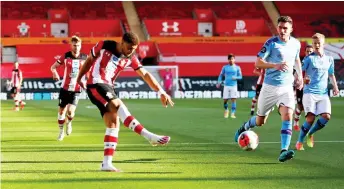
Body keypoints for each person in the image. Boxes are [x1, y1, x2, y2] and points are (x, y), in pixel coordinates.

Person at [76, 32, 174, 172]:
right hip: (96, 84)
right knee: (117, 105)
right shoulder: (104, 45)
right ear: (121, 43)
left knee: (113, 124)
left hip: (108, 87)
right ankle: (148, 136)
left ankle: (106, 163)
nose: (131, 51)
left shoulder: (130, 58)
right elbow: (89, 60)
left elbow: (144, 74)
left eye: (134, 49)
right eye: (129, 48)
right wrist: (79, 78)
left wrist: (161, 91)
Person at [234, 16, 303, 162]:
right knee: (260, 121)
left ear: (291, 29)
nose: (282, 31)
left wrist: (300, 77)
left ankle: (284, 150)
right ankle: (244, 127)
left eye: (285, 28)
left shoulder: (296, 44)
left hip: (287, 87)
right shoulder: (271, 43)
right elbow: (258, 62)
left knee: (287, 115)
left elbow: (296, 59)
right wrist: (274, 65)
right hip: (270, 87)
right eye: (280, 27)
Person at [295, 33, 339, 151]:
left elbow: (331, 74)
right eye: (314, 43)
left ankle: (311, 133)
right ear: (313, 45)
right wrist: (302, 80)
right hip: (309, 93)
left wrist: (335, 87)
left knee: (326, 116)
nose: (317, 45)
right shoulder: (308, 59)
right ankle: (299, 141)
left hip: (323, 93)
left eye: (319, 43)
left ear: (323, 44)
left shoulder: (329, 59)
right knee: (310, 119)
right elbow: (298, 72)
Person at [50, 36, 88, 141]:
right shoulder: (65, 57)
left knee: (70, 112)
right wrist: (54, 72)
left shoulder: (85, 57)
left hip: (76, 89)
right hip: (65, 88)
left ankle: (69, 123)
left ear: (81, 46)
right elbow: (53, 67)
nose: (76, 47)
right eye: (74, 45)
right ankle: (61, 131)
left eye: (78, 45)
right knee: (62, 111)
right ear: (71, 45)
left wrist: (87, 82)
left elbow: (89, 72)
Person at [293, 45, 314, 131]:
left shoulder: (315, 62)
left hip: (311, 88)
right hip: (301, 87)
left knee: (309, 108)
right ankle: (296, 121)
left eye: (310, 52)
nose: (309, 53)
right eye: (307, 51)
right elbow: (295, 73)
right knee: (300, 106)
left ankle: (307, 128)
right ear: (305, 52)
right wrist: (298, 80)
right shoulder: (302, 62)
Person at [216, 54, 242, 118]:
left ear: (234, 59)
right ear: (228, 60)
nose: (231, 60)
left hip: (234, 86)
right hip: (226, 85)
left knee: (233, 99)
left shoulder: (237, 67)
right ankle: (226, 110)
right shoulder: (225, 67)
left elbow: (240, 77)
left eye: (232, 59)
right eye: (230, 59)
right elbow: (221, 75)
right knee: (225, 100)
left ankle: (233, 113)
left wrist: (235, 77)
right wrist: (219, 82)